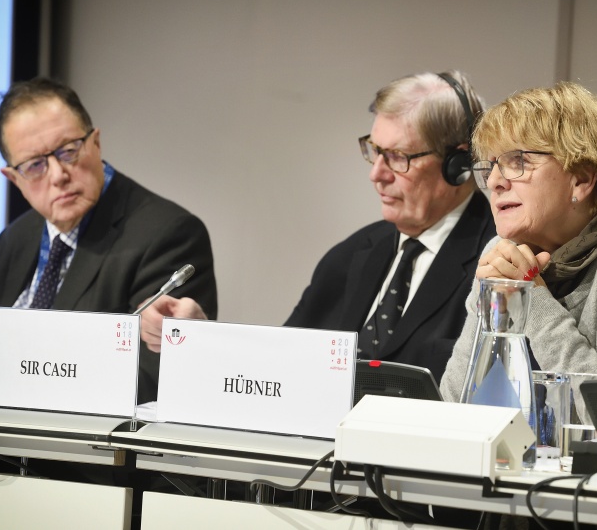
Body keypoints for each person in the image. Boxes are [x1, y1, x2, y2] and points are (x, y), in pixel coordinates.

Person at [140, 71, 496, 381]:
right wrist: (200, 335)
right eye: (375, 151)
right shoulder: (354, 253)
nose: (377, 174)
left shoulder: (498, 262)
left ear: (459, 164)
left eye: (399, 158)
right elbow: (278, 366)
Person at [0, 77, 218, 404]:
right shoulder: (12, 241)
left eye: (68, 151)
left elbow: (155, 382)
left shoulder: (169, 234)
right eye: (35, 165)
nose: (58, 175)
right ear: (13, 178)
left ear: (95, 143)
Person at [440, 82, 597, 412]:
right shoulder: (503, 251)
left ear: (581, 180)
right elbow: (453, 405)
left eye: (517, 160)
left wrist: (531, 298)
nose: (494, 182)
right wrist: (489, 302)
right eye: (490, 166)